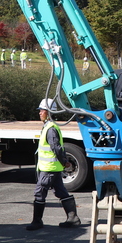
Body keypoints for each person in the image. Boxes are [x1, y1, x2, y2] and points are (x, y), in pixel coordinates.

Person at [26, 99, 82, 231]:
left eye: (42, 110)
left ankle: (37, 221)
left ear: (49, 112)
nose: (40, 113)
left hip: (49, 169)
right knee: (61, 191)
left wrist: (63, 161)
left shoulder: (50, 129)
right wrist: (63, 161)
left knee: (40, 193)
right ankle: (73, 218)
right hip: (52, 168)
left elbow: (56, 147)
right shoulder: (49, 127)